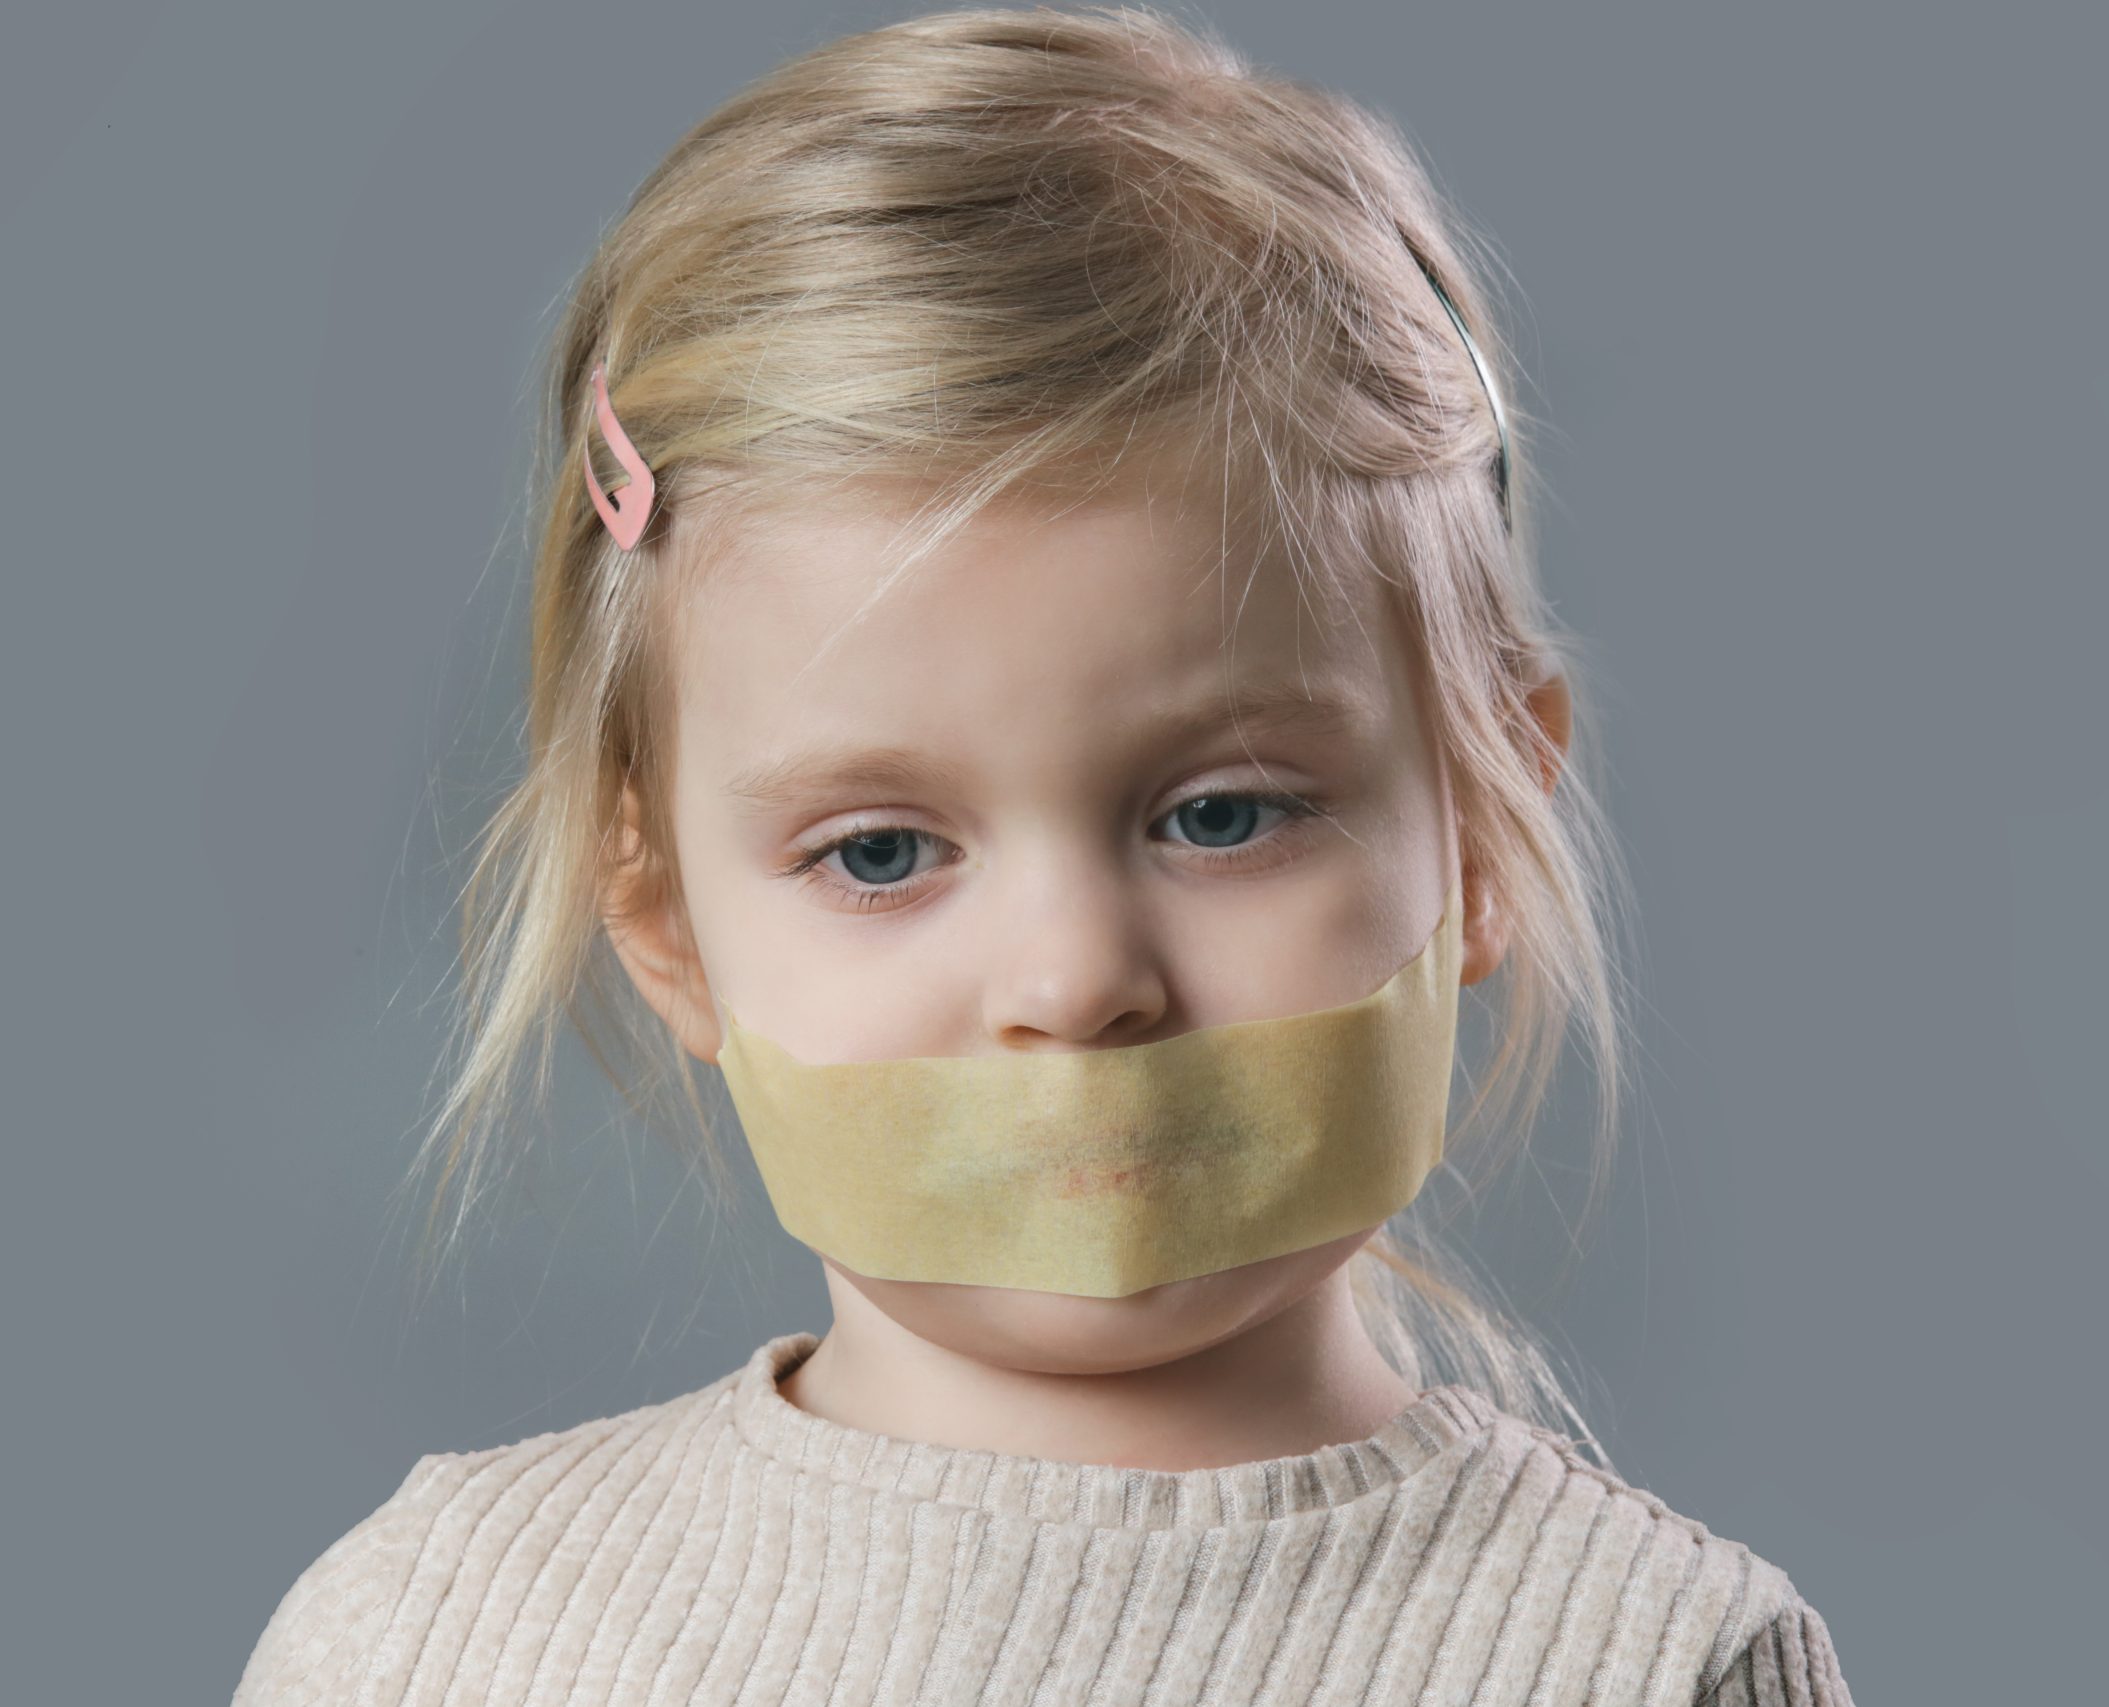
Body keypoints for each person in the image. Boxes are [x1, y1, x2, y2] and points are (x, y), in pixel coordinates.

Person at [231, 6, 1853, 1702]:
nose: (1075, 983)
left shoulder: (1658, 1666)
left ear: (1486, 829)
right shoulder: (440, 1642)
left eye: (1222, 816)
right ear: (665, 929)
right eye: (879, 854)